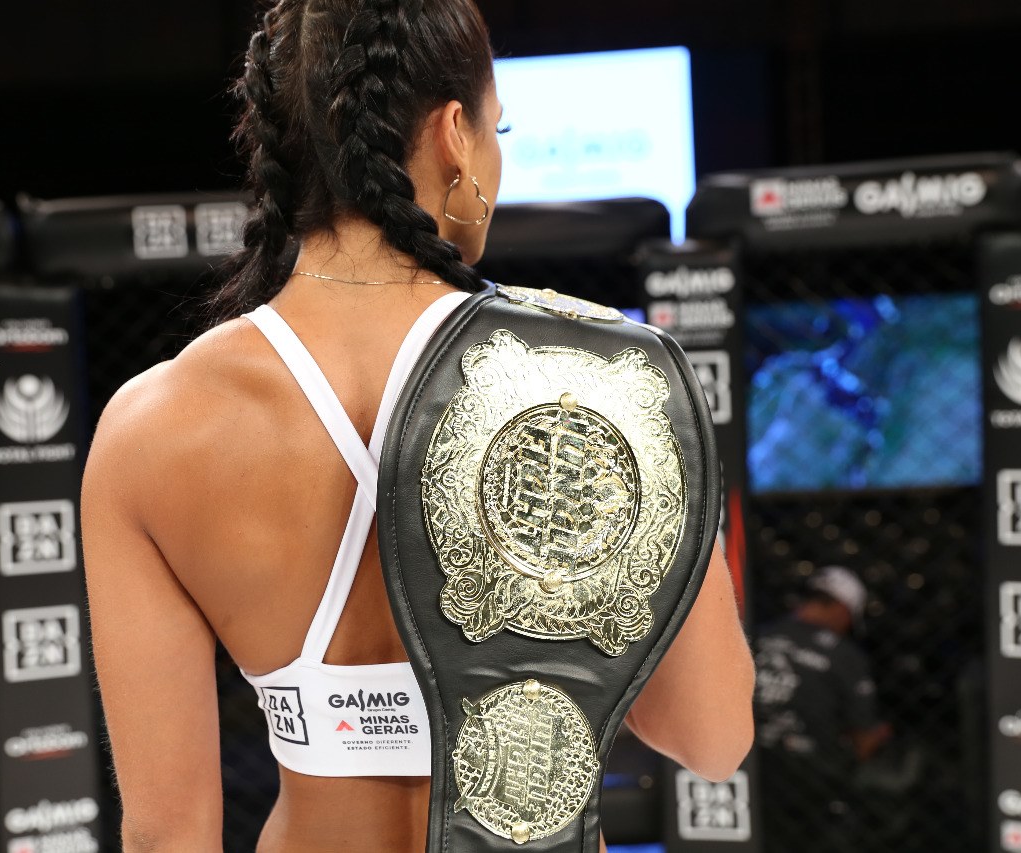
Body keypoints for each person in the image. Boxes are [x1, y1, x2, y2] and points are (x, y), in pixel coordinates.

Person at [81, 1, 755, 851]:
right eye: (497, 129)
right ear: (453, 136)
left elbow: (168, 834)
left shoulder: (152, 427)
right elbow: (713, 735)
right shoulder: (600, 382)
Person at [753, 565, 892, 853]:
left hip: (747, 767)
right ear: (842, 609)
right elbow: (863, 738)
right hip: (811, 785)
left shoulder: (755, 636)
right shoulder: (844, 655)